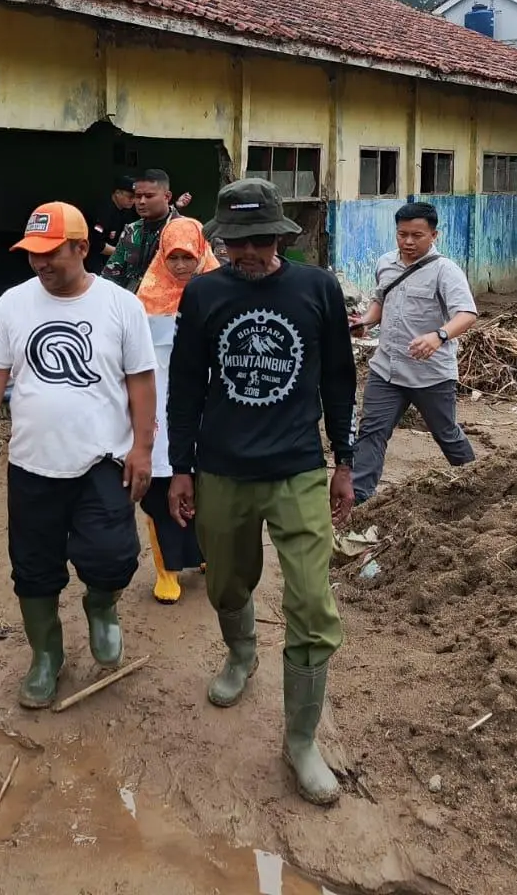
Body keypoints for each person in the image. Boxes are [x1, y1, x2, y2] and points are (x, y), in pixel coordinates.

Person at [166, 178, 357, 806]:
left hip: (299, 467)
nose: (248, 253)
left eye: (259, 241)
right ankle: (241, 653)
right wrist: (181, 467)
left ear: (281, 238)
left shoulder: (317, 289)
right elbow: (187, 384)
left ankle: (300, 741)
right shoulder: (204, 295)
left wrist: (344, 461)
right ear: (222, 241)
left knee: (310, 602)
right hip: (222, 468)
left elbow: (338, 377)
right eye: (237, 242)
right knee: (225, 582)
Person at [0, 202, 156, 709]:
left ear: (81, 248)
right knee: (33, 568)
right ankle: (46, 656)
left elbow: (141, 379)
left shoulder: (120, 306)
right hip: (32, 465)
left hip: (102, 462)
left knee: (112, 558)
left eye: (51, 254)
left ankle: (100, 606)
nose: (40, 264)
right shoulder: (13, 304)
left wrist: (143, 447)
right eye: (32, 255)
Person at [349, 202, 479, 504]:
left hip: (431, 375)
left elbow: (467, 313)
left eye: (417, 235)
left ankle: (477, 485)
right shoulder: (386, 263)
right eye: (402, 234)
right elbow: (381, 302)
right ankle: (359, 499)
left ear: (434, 235)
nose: (408, 242)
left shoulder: (445, 271)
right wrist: (366, 323)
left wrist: (439, 335)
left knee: (446, 433)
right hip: (387, 369)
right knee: (371, 432)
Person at [133, 217, 218, 603]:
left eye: (188, 257)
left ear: (202, 252)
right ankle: (166, 569)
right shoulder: (143, 302)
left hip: (208, 402)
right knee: (162, 486)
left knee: (210, 483)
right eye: (174, 257)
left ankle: (205, 555)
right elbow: (132, 361)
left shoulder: (221, 291)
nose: (182, 265)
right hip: (162, 405)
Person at [102, 168, 180, 291]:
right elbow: (110, 274)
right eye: (138, 196)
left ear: (167, 196)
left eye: (149, 196)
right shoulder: (132, 230)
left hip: (171, 304)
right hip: (133, 302)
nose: (141, 202)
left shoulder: (185, 229)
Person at [87, 176, 138, 272]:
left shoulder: (127, 211)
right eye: (130, 196)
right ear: (117, 193)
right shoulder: (103, 211)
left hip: (113, 261)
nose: (133, 200)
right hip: (95, 263)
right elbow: (97, 244)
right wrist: (123, 253)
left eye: (135, 197)